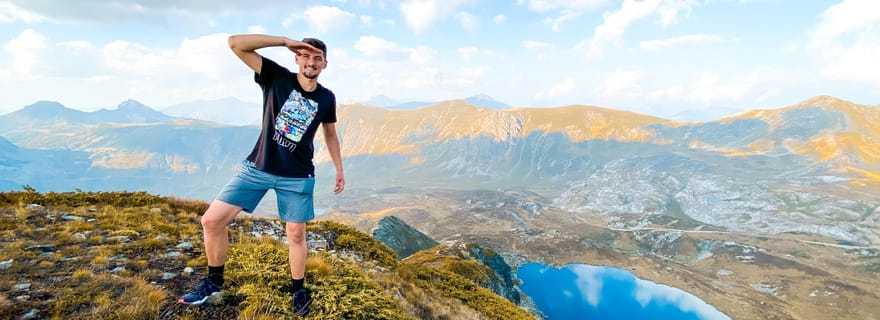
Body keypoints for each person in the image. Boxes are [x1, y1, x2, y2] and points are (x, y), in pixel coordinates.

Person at [178, 34, 345, 318]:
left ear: (325, 64)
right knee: (212, 220)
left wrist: (340, 169)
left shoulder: (327, 97)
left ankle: (298, 290)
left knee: (296, 234)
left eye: (317, 58)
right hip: (257, 167)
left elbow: (330, 132)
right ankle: (214, 281)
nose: (311, 62)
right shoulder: (276, 78)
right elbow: (235, 44)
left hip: (297, 175)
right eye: (306, 55)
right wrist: (284, 41)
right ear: (297, 58)